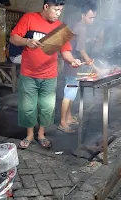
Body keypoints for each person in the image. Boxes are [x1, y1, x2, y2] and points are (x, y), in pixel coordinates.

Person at [10, 0, 81, 149]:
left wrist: (72, 61)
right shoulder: (29, 18)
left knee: (46, 107)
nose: (58, 13)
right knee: (28, 106)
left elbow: (65, 51)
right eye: (56, 10)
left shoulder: (60, 28)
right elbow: (13, 38)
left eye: (60, 10)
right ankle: (29, 135)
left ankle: (41, 134)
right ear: (46, 6)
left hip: (49, 75)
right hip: (28, 73)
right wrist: (27, 41)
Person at [58, 2, 102, 133]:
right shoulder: (81, 28)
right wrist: (95, 68)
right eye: (90, 17)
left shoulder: (78, 25)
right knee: (70, 92)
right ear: (83, 15)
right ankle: (62, 122)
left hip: (71, 62)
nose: (92, 20)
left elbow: (76, 42)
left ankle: (69, 117)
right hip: (72, 63)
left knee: (72, 91)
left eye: (94, 17)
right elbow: (81, 50)